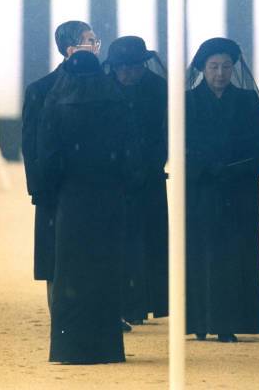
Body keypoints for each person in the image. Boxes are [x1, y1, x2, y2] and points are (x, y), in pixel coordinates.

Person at [38, 50, 133, 364]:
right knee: (106, 271)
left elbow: (48, 160)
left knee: (70, 274)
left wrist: (48, 195)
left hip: (72, 199)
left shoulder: (57, 106)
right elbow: (130, 155)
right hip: (109, 199)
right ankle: (106, 346)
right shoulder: (117, 105)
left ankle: (70, 347)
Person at [185, 37, 259, 342]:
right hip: (199, 190)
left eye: (225, 66)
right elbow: (179, 143)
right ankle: (197, 320)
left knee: (234, 254)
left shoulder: (248, 101)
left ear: (234, 68)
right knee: (199, 253)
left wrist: (237, 170)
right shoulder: (186, 103)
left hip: (239, 191)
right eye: (213, 67)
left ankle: (229, 321)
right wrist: (207, 169)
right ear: (202, 69)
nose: (220, 73)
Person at [21, 20, 100, 313]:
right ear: (71, 49)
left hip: (92, 188)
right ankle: (60, 316)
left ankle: (100, 312)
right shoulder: (40, 90)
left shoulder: (103, 85)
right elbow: (30, 145)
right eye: (90, 41)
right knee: (54, 257)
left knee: (93, 253)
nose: (95, 47)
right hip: (54, 190)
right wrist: (39, 189)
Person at [103, 36, 169, 327]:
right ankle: (125, 304)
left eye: (135, 67)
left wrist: (151, 164)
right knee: (120, 243)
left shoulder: (159, 88)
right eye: (123, 68)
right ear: (114, 68)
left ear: (144, 65)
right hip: (113, 178)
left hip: (151, 175)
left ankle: (146, 302)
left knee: (149, 240)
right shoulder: (103, 89)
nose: (129, 74)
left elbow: (167, 134)